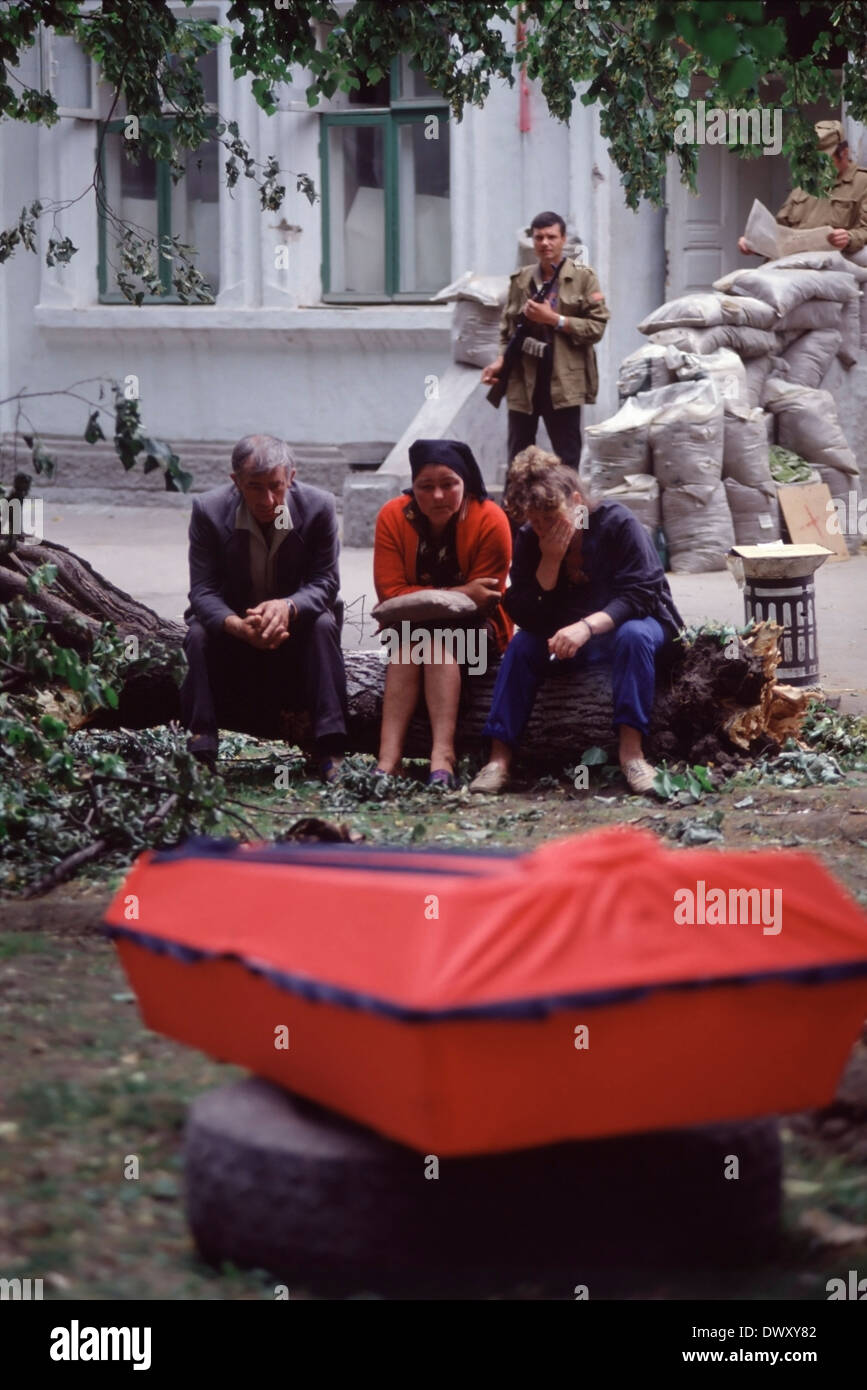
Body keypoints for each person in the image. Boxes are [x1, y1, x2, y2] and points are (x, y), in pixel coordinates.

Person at [468, 447, 683, 796]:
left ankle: (632, 754)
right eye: (535, 523)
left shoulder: (617, 523)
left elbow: (641, 593)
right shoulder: (530, 539)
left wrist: (586, 627)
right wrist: (549, 565)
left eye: (552, 520)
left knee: (633, 635)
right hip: (569, 638)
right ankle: (498, 759)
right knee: (523, 645)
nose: (543, 529)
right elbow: (522, 610)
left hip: (635, 626)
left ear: (577, 503)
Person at [180, 434, 348, 780]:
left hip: (297, 629)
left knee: (323, 625)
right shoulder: (208, 511)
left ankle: (330, 748)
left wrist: (288, 607)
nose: (267, 499)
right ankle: (201, 746)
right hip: (237, 630)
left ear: (291, 477)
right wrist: (236, 625)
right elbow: (202, 591)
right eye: (254, 487)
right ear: (235, 482)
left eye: (276, 486)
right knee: (197, 633)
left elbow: (326, 583)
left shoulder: (319, 508)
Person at [372, 439, 512, 788]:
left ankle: (442, 755)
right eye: (426, 486)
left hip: (479, 634)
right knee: (409, 647)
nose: (438, 496)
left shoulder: (490, 519)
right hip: (410, 631)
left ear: (465, 482)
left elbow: (486, 599)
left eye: (448, 484)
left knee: (434, 642)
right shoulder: (392, 516)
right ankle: (388, 760)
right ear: (413, 487)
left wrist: (426, 602)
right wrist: (460, 593)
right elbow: (390, 594)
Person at [481, 210, 610, 474]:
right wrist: (501, 360)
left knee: (567, 457)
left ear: (563, 240)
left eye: (551, 237)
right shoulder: (521, 280)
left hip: (563, 380)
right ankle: (515, 515)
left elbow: (596, 327)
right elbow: (508, 329)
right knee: (518, 460)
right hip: (524, 379)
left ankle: (568, 513)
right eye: (539, 237)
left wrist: (554, 320)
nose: (545, 243)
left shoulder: (583, 278)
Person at [738, 120, 867, 256]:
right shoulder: (806, 185)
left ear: (844, 153)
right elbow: (779, 231)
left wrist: (849, 238)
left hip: (826, 265)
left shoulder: (862, 182)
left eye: (825, 160)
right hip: (787, 266)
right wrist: (754, 243)